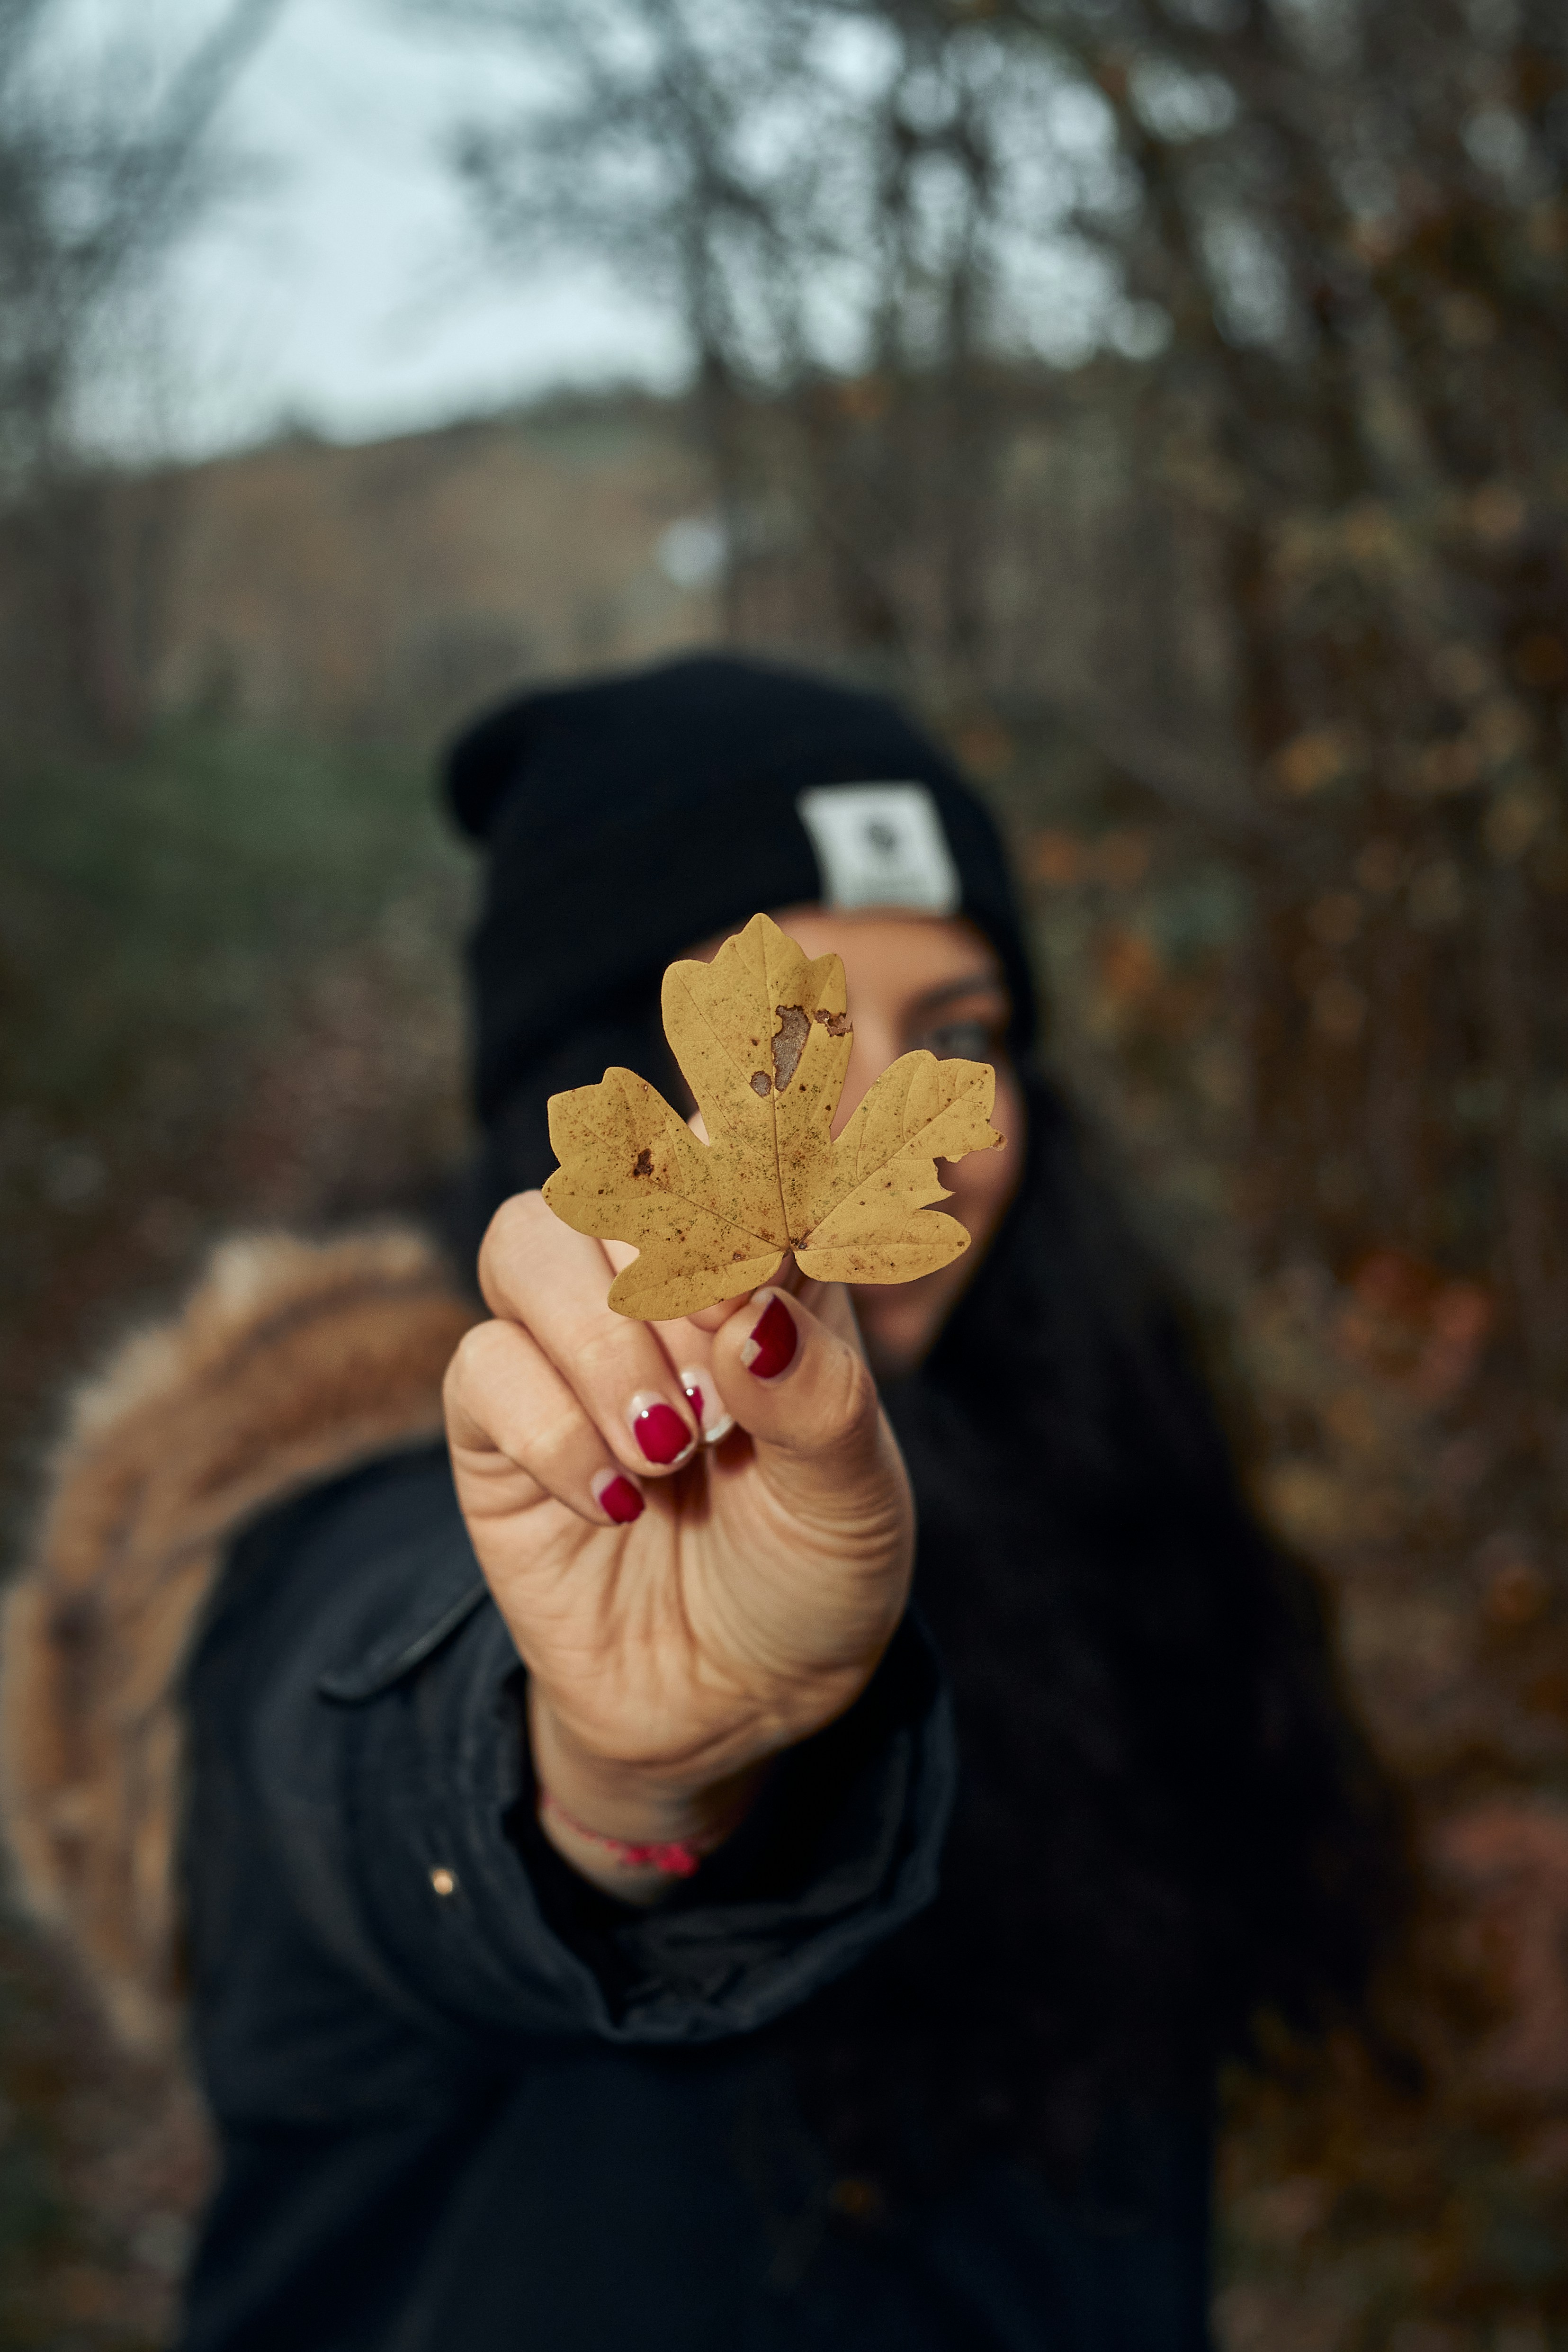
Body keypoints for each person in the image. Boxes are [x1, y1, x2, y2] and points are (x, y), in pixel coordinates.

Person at [1, 655, 1396, 2352]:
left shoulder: (1076, 1482)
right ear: (595, 1091)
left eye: (960, 1035)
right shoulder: (367, 1502)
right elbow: (376, 1759)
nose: (915, 1122)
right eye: (799, 1039)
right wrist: (626, 1777)